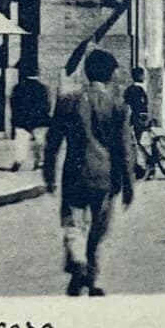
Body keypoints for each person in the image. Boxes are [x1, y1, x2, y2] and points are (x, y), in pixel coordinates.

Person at [43, 48, 135, 296]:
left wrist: (49, 174)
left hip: (74, 172)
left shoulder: (67, 101)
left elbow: (52, 142)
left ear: (85, 71)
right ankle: (94, 279)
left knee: (73, 224)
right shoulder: (118, 106)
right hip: (106, 176)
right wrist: (129, 185)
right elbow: (125, 149)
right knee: (99, 230)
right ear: (111, 75)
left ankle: (78, 261)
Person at [9, 66, 52, 172]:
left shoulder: (18, 87)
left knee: (21, 141)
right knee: (40, 142)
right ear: (38, 73)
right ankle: (39, 162)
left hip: (22, 119)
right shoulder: (43, 88)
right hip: (39, 118)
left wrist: (14, 118)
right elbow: (47, 105)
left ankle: (19, 161)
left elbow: (13, 104)